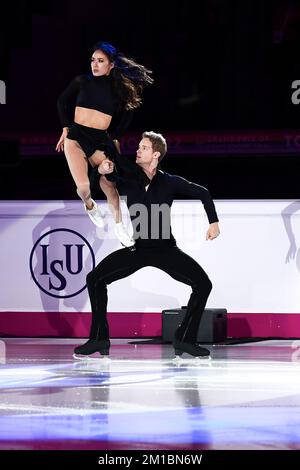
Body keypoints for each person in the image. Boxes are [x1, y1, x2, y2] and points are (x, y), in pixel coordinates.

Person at [74, 131, 220, 359]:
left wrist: (213, 222)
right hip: (138, 250)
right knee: (95, 279)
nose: (137, 150)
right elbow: (102, 182)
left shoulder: (169, 182)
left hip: (165, 250)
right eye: (138, 147)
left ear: (155, 155)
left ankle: (185, 339)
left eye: (143, 148)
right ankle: (99, 338)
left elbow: (203, 192)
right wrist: (100, 171)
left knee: (203, 284)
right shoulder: (129, 179)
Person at [56, 41, 153, 248]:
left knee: (110, 187)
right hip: (75, 138)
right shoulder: (81, 81)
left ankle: (120, 227)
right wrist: (65, 128)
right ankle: (90, 206)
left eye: (101, 61)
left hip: (99, 141)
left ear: (111, 65)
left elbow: (129, 114)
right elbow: (61, 101)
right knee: (83, 188)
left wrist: (115, 137)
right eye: (93, 60)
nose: (95, 65)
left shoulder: (117, 91)